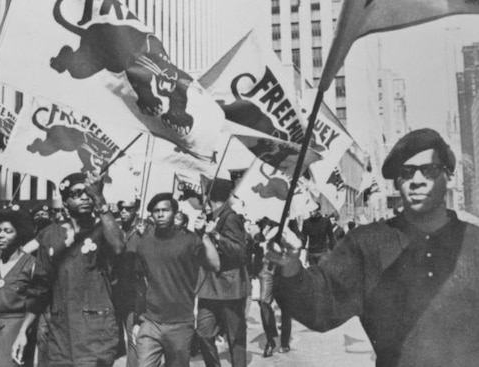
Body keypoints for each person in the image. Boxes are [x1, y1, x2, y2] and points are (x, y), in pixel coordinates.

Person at [268, 128, 479, 367]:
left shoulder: (474, 243)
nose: (417, 181)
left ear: (448, 175)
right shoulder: (367, 245)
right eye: (407, 173)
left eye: (429, 171)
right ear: (398, 182)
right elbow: (320, 306)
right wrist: (291, 266)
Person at [36, 172, 125, 367]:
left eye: (88, 193)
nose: (85, 197)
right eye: (76, 194)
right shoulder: (51, 235)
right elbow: (41, 285)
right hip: (61, 334)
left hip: (95, 331)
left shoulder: (102, 229)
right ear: (65, 201)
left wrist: (100, 199)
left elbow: (118, 246)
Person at [132, 193, 219, 367]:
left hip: (180, 323)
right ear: (151, 215)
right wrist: (137, 321)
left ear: (175, 212)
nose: (161, 214)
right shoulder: (144, 244)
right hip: (151, 322)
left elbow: (215, 265)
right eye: (156, 211)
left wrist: (205, 236)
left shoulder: (189, 240)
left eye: (165, 210)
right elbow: (140, 283)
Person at [196, 178, 249, 367]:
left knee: (235, 337)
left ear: (210, 196)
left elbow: (240, 251)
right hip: (209, 287)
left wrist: (217, 236)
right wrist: (199, 232)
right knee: (203, 332)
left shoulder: (230, 217)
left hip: (229, 286)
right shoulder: (210, 217)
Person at [0, 205, 43, 367]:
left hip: (19, 334)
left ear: (20, 235)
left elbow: (37, 304)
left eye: (8, 231)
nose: (1, 235)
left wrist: (24, 332)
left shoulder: (31, 265)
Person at [113, 197, 147, 367]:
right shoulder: (117, 231)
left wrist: (145, 236)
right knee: (113, 337)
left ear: (136, 211)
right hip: (115, 291)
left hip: (135, 293)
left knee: (133, 335)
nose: (124, 211)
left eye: (128, 208)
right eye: (122, 208)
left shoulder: (144, 231)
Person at [254, 219, 291, 357]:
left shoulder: (288, 223)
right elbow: (256, 245)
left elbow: (299, 242)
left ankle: (285, 341)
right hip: (266, 269)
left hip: (283, 269)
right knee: (264, 302)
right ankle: (270, 340)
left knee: (286, 307)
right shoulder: (263, 224)